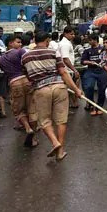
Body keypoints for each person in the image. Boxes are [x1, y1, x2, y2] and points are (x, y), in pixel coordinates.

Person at [22, 31, 83, 161]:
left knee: (44, 120)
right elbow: (63, 72)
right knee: (61, 119)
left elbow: (27, 75)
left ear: (34, 41)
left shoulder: (25, 57)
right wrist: (76, 89)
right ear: (47, 41)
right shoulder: (53, 52)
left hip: (41, 89)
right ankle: (60, 151)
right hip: (59, 87)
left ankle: (55, 142)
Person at [0, 36, 38, 147]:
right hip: (26, 81)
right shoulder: (21, 52)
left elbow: (4, 71)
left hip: (14, 83)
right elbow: (29, 62)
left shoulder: (1, 59)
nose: (20, 44)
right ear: (11, 43)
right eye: (18, 42)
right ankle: (34, 137)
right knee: (32, 108)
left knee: (18, 110)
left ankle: (27, 128)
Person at [81, 33, 107, 116]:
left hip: (101, 71)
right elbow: (83, 61)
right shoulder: (87, 51)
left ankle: (99, 107)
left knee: (102, 89)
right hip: (91, 71)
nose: (89, 42)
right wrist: (90, 62)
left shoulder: (103, 49)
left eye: (90, 40)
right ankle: (91, 104)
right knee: (88, 87)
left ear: (95, 40)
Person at [58, 27, 80, 109]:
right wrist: (74, 70)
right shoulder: (65, 44)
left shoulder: (65, 43)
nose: (73, 36)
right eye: (71, 34)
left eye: (73, 34)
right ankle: (72, 102)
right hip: (67, 70)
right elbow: (65, 59)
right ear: (65, 34)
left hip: (66, 69)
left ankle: (73, 102)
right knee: (72, 86)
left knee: (70, 87)